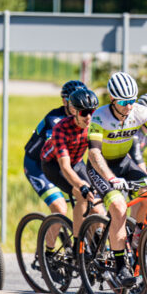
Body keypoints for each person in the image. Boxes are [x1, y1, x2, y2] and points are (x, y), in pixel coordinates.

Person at [86, 72, 147, 287]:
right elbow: (94, 153)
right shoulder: (99, 117)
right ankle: (120, 267)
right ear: (112, 99)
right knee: (118, 207)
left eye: (132, 100)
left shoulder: (140, 112)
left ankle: (136, 236)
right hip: (101, 167)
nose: (129, 106)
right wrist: (110, 177)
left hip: (124, 162)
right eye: (124, 102)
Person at [40, 88, 101, 245]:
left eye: (92, 112)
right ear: (74, 111)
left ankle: (91, 248)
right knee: (81, 194)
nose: (89, 117)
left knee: (98, 206)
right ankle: (77, 245)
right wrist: (81, 185)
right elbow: (65, 167)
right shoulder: (61, 128)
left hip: (77, 162)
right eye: (84, 113)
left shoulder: (94, 125)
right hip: (54, 165)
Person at [24, 80, 86, 214]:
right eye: (74, 102)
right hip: (38, 165)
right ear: (65, 101)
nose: (79, 107)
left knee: (93, 199)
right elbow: (58, 152)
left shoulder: (86, 117)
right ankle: (52, 228)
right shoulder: (54, 120)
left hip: (70, 160)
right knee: (60, 207)